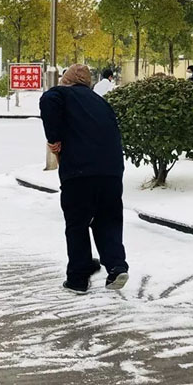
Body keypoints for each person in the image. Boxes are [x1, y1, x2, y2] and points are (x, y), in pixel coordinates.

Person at [39, 64, 129, 294]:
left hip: (79, 173)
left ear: (66, 80)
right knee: (107, 220)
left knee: (77, 224)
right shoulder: (100, 101)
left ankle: (78, 278)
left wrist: (54, 138)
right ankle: (116, 265)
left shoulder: (61, 93)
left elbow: (48, 100)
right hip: (111, 172)